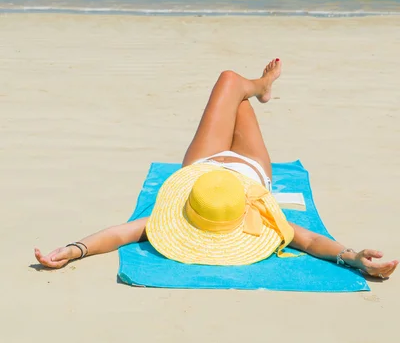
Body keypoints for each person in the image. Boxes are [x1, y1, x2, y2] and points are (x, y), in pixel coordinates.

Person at [35, 60, 398, 279]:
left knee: (229, 80)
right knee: (233, 89)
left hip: (201, 166)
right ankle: (257, 88)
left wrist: (74, 249)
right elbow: (312, 242)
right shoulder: (261, 222)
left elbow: (117, 234)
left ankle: (257, 87)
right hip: (250, 169)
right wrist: (354, 258)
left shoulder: (168, 219)